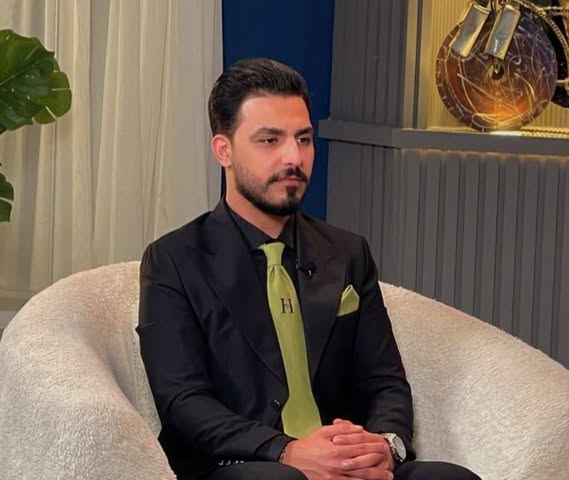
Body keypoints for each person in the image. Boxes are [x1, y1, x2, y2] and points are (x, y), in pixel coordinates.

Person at [138, 58, 481, 480]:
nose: (293, 157)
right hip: (242, 465)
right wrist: (286, 451)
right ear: (223, 150)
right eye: (270, 140)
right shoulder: (174, 259)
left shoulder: (348, 252)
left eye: (303, 139)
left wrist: (383, 448)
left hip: (342, 464)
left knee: (450, 477)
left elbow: (385, 382)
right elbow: (183, 402)